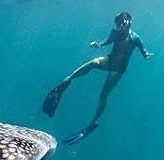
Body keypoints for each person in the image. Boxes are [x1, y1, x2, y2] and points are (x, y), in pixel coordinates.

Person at [42, 12, 153, 146]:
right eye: (118, 22)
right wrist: (98, 45)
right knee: (93, 62)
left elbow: (143, 50)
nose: (120, 25)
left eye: (123, 22)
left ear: (130, 22)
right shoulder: (115, 32)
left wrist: (146, 55)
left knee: (103, 95)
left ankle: (93, 123)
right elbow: (108, 41)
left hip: (119, 69)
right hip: (111, 59)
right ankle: (67, 80)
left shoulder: (135, 38)